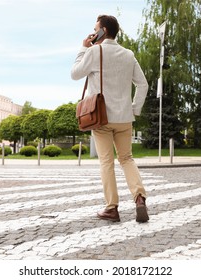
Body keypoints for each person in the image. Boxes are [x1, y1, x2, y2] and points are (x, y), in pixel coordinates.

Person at [71, 15, 149, 223]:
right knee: (127, 159)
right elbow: (143, 85)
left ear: (103, 31)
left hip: (102, 118)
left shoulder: (95, 51)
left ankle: (112, 208)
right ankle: (139, 198)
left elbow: (75, 73)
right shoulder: (128, 54)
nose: (93, 31)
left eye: (95, 28)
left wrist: (83, 48)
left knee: (107, 162)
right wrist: (134, 109)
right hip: (124, 118)